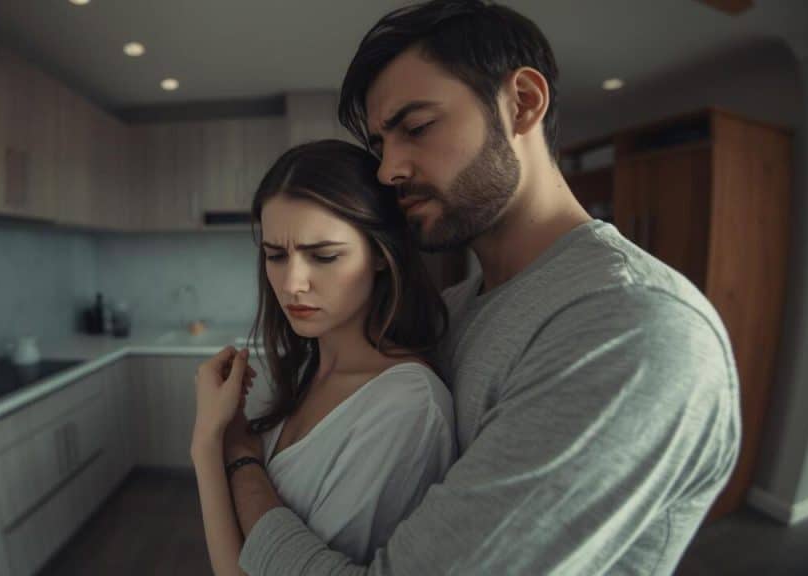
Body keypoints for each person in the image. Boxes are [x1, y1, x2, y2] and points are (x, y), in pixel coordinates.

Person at [221, 1, 742, 574]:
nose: (388, 170)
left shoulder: (631, 325)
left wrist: (242, 464)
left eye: (417, 128)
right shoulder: (456, 308)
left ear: (522, 103)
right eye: (379, 146)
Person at [190, 139, 458, 576]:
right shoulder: (308, 367)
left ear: (379, 254)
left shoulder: (406, 406)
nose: (293, 283)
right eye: (276, 255)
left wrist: (214, 446)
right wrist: (215, 438)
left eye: (324, 256)